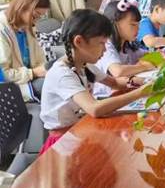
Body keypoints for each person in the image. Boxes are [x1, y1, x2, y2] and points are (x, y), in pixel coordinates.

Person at [40, 10, 148, 153]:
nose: (105, 49)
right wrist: (141, 93)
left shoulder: (85, 65)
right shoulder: (62, 74)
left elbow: (115, 83)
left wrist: (143, 81)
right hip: (63, 143)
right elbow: (94, 108)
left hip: (80, 131)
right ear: (79, 41)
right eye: (101, 43)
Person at [94, 0, 153, 97]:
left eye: (138, 24)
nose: (138, 28)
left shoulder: (128, 46)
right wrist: (145, 66)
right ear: (115, 23)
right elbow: (118, 71)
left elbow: (149, 55)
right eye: (133, 24)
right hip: (105, 97)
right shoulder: (106, 46)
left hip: (121, 93)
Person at [0, 0, 51, 100]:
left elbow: (40, 60)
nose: (36, 21)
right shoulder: (2, 30)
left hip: (28, 79)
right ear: (22, 6)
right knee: (53, 86)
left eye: (40, 17)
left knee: (62, 78)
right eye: (35, 16)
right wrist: (33, 73)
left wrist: (46, 69)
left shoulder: (26, 27)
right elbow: (3, 75)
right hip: (11, 86)